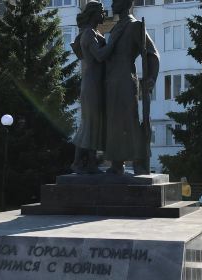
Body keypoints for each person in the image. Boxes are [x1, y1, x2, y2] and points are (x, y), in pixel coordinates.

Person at [104, 0, 160, 175]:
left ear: (126, 3)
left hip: (127, 78)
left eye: (115, 1)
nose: (112, 4)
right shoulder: (116, 27)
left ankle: (139, 162)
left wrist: (151, 78)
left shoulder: (134, 26)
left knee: (130, 121)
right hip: (112, 80)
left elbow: (152, 53)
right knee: (113, 122)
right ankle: (116, 162)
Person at [70, 1, 123, 174]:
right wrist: (113, 40)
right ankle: (77, 163)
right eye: (101, 11)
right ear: (93, 13)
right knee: (89, 124)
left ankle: (91, 163)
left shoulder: (94, 32)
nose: (104, 14)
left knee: (94, 125)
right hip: (91, 84)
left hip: (97, 84)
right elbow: (100, 56)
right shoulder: (87, 34)